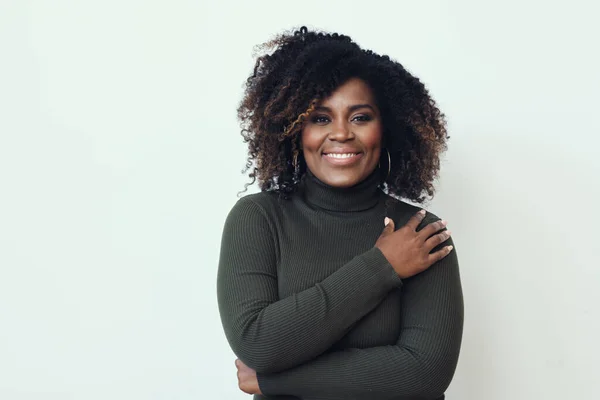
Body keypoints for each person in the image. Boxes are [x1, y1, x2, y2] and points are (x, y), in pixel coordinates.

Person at [217, 26, 464, 400]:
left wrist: (274, 381)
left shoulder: (419, 233)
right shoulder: (258, 219)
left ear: (388, 127)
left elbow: (425, 373)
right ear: (294, 129)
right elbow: (258, 343)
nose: (341, 134)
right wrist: (383, 267)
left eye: (360, 117)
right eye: (320, 118)